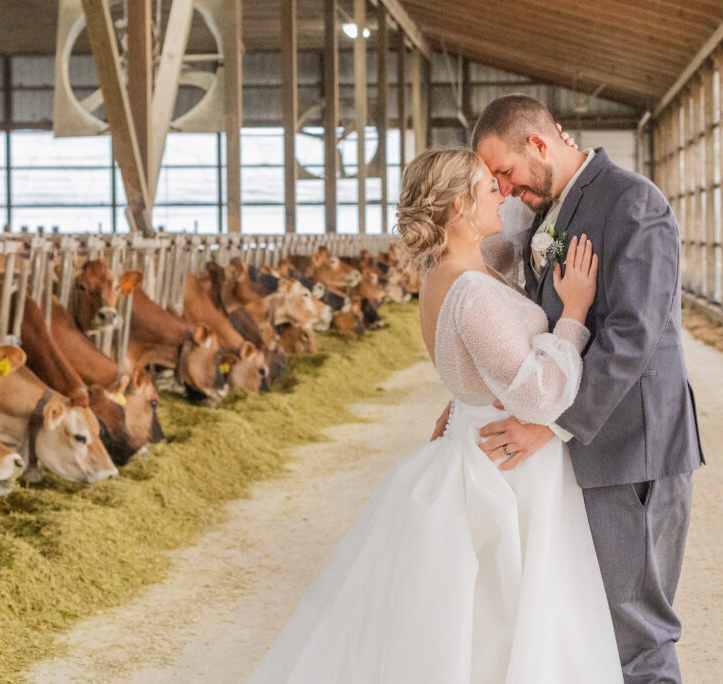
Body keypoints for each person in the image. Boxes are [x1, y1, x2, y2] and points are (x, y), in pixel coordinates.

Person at [249, 147, 622, 683]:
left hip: (480, 440)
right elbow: (538, 396)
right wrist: (577, 311)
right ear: (458, 207)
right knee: (505, 620)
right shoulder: (470, 289)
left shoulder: (463, 271)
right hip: (505, 465)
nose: (501, 191)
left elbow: (509, 249)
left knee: (490, 622)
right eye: (488, 186)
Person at [464, 94, 704, 684]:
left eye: (504, 172)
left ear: (540, 145)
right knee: (597, 626)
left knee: (636, 633)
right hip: (594, 452)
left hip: (633, 448)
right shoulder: (550, 210)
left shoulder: (633, 202)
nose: (503, 189)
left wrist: (550, 422)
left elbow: (633, 333)